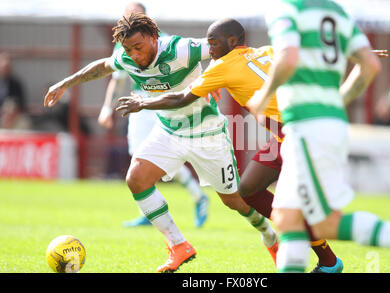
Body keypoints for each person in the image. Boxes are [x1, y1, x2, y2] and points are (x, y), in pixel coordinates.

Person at [44, 12, 278, 273]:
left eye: (138, 47)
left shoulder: (181, 49)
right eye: (128, 50)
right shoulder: (126, 57)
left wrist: (213, 74)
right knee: (137, 178)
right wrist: (65, 83)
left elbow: (220, 46)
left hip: (207, 133)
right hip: (169, 131)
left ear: (154, 38)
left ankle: (270, 237)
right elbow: (103, 66)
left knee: (235, 200)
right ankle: (179, 246)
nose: (133, 55)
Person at [116, 18, 349, 273]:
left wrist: (143, 104)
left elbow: (182, 97)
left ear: (232, 42)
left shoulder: (223, 66)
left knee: (290, 207)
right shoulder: (263, 51)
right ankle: (307, 246)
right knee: (248, 190)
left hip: (302, 138)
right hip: (289, 136)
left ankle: (326, 260)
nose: (210, 49)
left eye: (214, 44)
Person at [246, 0, 390, 273]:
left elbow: (288, 57)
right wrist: (337, 101)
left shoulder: (287, 8)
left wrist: (264, 95)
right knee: (287, 217)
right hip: (325, 124)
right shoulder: (336, 12)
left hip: (307, 126)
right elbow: (371, 65)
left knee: (324, 223)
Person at [98, 2, 209, 228]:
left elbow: (192, 62)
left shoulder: (162, 40)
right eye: (126, 16)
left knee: (156, 157)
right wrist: (106, 108)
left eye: (134, 16)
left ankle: (196, 197)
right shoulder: (123, 46)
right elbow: (117, 79)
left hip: (162, 102)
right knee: (141, 157)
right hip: (137, 104)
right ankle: (155, 209)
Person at [0, 52, 30, 129]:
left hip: (15, 117)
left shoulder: (16, 84)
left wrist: (13, 112)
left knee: (24, 124)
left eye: (7, 67)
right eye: (3, 67)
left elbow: (22, 103)